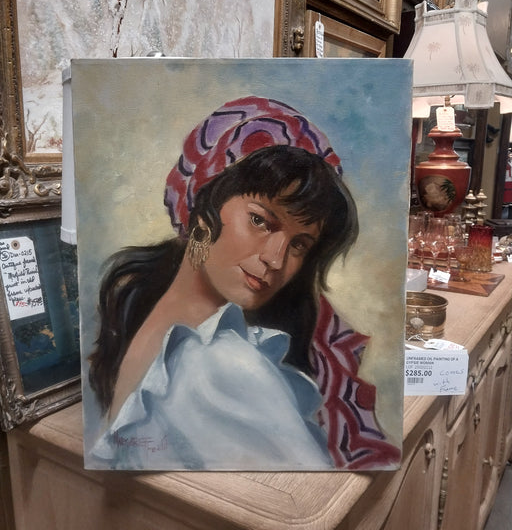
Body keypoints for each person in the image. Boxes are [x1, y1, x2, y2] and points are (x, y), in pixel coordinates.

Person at [87, 96, 400, 470]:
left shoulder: (146, 321)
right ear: (204, 209)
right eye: (260, 221)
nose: (276, 259)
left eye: (299, 244)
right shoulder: (222, 365)